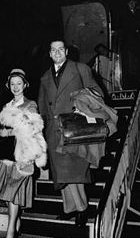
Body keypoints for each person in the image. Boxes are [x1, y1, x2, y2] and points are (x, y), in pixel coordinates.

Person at [37, 39, 105, 227]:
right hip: (54, 129)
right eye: (53, 50)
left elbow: (97, 92)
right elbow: (42, 106)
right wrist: (40, 130)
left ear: (66, 51)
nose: (57, 52)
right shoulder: (44, 77)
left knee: (74, 171)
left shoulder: (81, 69)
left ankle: (82, 209)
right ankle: (69, 209)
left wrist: (83, 108)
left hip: (75, 127)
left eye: (61, 49)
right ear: (50, 54)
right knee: (61, 172)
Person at [0, 69, 47, 238]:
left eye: (19, 83)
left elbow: (33, 127)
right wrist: (3, 133)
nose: (16, 87)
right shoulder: (7, 105)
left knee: (13, 192)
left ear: (25, 85)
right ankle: (17, 223)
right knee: (10, 193)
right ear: (9, 85)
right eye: (12, 84)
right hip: (8, 155)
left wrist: (10, 131)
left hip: (23, 153)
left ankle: (10, 232)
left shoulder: (30, 105)